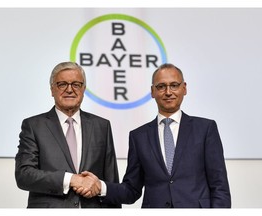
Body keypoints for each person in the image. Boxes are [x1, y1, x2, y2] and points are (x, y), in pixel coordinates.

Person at [78, 63, 231, 208]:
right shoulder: (138, 137)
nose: (168, 92)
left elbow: (219, 186)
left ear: (184, 88)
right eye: (161, 86)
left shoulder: (205, 129)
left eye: (174, 85)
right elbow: (131, 190)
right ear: (153, 91)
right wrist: (101, 187)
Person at [15, 61, 120, 208]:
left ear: (83, 89)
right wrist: (70, 179)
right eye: (62, 84)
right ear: (52, 89)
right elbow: (24, 175)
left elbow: (111, 182)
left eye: (76, 84)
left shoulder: (102, 126)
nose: (69, 90)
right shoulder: (33, 126)